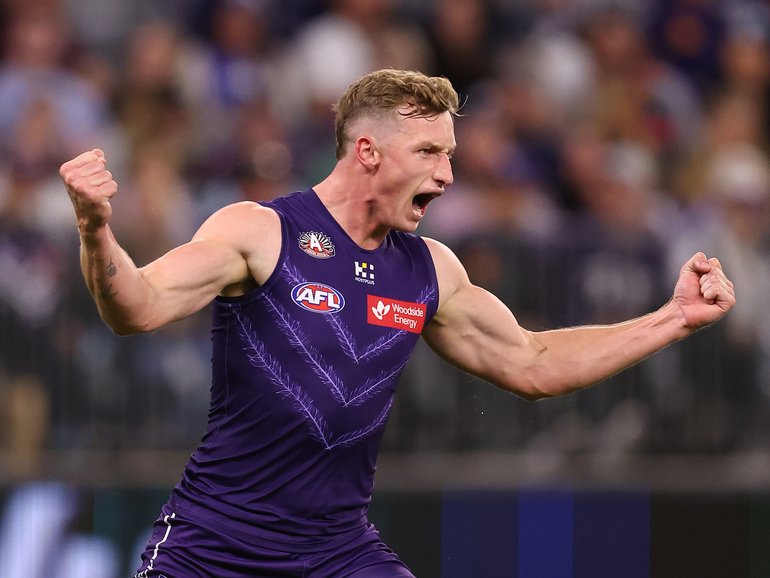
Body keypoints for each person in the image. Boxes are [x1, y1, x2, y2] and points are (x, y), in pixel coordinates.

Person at [60, 69, 735, 578]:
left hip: (337, 551)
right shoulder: (262, 232)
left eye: (450, 156)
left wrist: (674, 319)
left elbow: (533, 363)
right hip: (215, 546)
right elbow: (137, 308)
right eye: (430, 153)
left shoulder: (430, 269)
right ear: (368, 152)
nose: (447, 175)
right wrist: (96, 229)